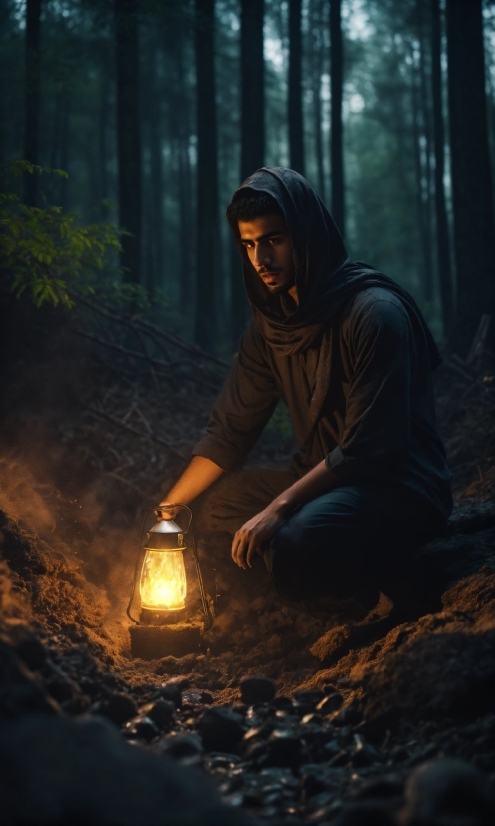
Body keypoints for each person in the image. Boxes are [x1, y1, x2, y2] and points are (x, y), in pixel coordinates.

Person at [157, 167, 452, 618]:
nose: (261, 258)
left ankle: (394, 587)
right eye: (249, 244)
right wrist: (168, 509)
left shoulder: (374, 314)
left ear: (306, 234)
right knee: (218, 509)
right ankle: (314, 589)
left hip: (395, 485)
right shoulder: (271, 326)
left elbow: (370, 449)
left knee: (299, 538)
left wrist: (278, 509)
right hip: (323, 481)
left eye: (274, 239)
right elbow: (230, 434)